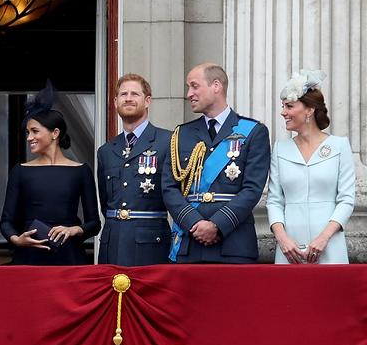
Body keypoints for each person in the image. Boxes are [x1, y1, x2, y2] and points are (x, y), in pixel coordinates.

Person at [162, 63, 270, 263]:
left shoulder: (253, 131)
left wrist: (217, 225)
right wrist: (194, 222)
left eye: (194, 86)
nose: (189, 94)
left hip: (234, 243)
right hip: (189, 242)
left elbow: (252, 189)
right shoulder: (181, 134)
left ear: (216, 86)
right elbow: (169, 188)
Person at [0, 83, 100, 265]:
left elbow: (94, 223)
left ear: (55, 133)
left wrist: (73, 230)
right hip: (29, 257)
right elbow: (6, 222)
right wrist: (17, 240)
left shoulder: (81, 170)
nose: (29, 137)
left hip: (69, 256)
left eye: (35, 131)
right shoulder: (20, 171)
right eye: (27, 132)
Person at [267, 70, 355, 264]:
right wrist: (283, 239)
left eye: (289, 106)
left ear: (309, 110)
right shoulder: (280, 149)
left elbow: (346, 200)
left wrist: (324, 238)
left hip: (329, 245)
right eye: (283, 106)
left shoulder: (339, 146)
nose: (283, 112)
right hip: (289, 248)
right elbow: (274, 200)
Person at [97, 74, 172, 265]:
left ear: (147, 101)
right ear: (115, 102)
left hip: (150, 244)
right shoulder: (106, 150)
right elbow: (106, 201)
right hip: (112, 243)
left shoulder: (167, 142)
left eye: (134, 94)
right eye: (123, 94)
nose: (128, 98)